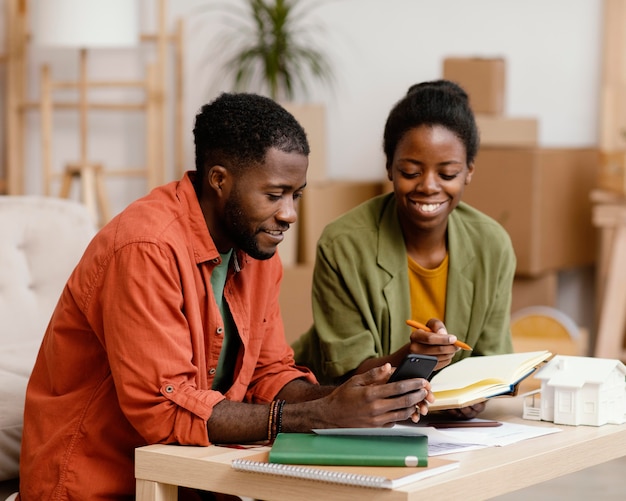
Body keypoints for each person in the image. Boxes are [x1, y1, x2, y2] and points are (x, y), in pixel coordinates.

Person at [18, 93, 434, 500]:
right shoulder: (146, 248)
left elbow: (268, 377)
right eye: (274, 195)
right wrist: (323, 414)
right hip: (99, 484)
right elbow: (166, 411)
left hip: (190, 477)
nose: (289, 214)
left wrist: (357, 395)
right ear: (219, 180)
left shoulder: (256, 250)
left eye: (296, 195)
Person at [292, 80, 516, 417]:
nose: (428, 186)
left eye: (448, 173)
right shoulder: (343, 245)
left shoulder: (491, 245)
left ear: (469, 171)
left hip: (440, 428)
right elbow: (349, 373)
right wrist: (413, 357)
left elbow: (492, 362)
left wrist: (476, 396)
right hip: (337, 413)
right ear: (389, 168)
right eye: (411, 171)